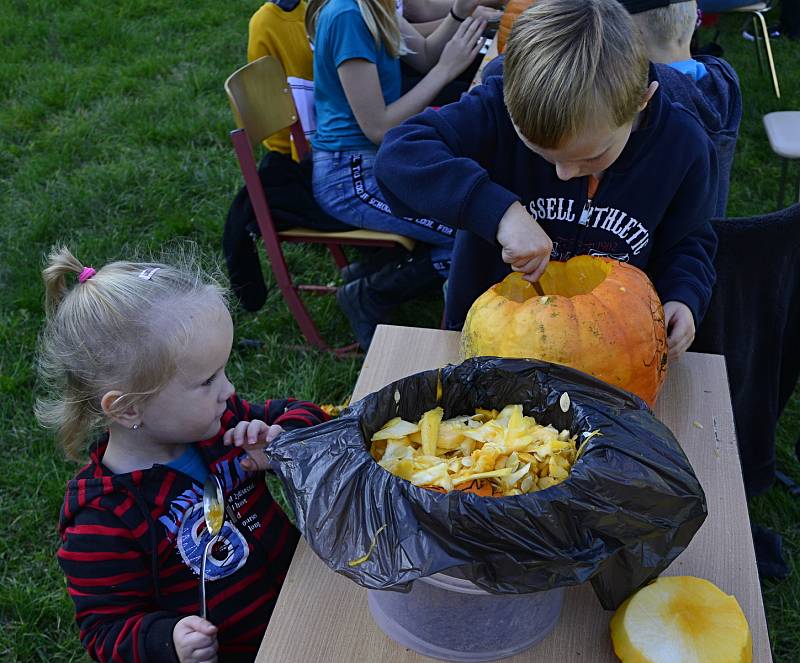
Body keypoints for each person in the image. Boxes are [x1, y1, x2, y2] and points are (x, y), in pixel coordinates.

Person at [375, 0, 718, 360]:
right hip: (491, 340)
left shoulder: (683, 146)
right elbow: (399, 155)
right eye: (538, 151)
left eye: (590, 156)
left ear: (642, 100)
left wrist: (683, 294)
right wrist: (499, 213)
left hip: (610, 348)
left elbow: (690, 239)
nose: (563, 173)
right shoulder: (498, 110)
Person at [38, 247, 328, 662]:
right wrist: (167, 640)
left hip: (309, 598)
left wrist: (283, 440)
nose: (228, 390)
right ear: (128, 408)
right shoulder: (104, 519)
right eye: (208, 379)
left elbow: (307, 415)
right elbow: (105, 631)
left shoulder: (223, 424)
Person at [307, 0, 495, 349]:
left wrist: (458, 13)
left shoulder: (375, 4)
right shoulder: (348, 14)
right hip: (350, 175)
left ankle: (380, 274)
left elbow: (422, 54)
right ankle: (370, 295)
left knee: (468, 218)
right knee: (466, 233)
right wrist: (445, 71)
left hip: (380, 159)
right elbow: (377, 126)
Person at [624, 0, 741, 216]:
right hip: (707, 237)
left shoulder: (645, 98)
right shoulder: (724, 80)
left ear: (631, 34)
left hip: (652, 244)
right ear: (694, 19)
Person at [248, 0, 315, 160]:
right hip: (289, 143)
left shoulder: (308, 12)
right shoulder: (262, 23)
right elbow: (266, 94)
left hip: (320, 122)